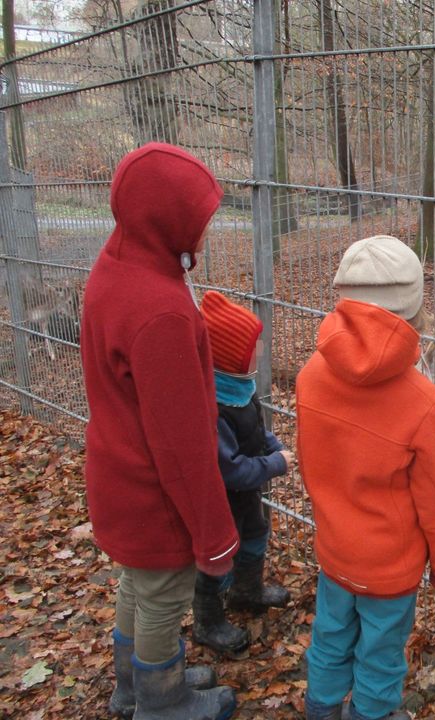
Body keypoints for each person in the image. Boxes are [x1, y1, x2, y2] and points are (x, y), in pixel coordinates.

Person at [80, 142, 238, 720]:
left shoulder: (116, 265)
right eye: (199, 223)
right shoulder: (160, 312)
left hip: (116, 471)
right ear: (166, 220)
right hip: (154, 493)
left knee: (139, 586)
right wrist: (213, 532)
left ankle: (133, 683)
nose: (205, 235)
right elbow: (181, 443)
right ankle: (161, 698)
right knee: (165, 596)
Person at [296, 235, 435, 720]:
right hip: (390, 568)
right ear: (412, 309)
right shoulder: (421, 403)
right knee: (380, 655)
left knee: (329, 639)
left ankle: (321, 710)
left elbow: (313, 466)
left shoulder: (310, 375)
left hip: (335, 551)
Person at [193, 290, 294, 656]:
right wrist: (275, 464)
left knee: (254, 534)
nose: (262, 351)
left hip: (247, 494)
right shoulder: (213, 407)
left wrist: (270, 443)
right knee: (218, 555)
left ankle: (247, 591)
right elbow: (229, 470)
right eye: (254, 346)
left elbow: (254, 428)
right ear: (230, 356)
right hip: (221, 500)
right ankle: (209, 620)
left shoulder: (239, 388)